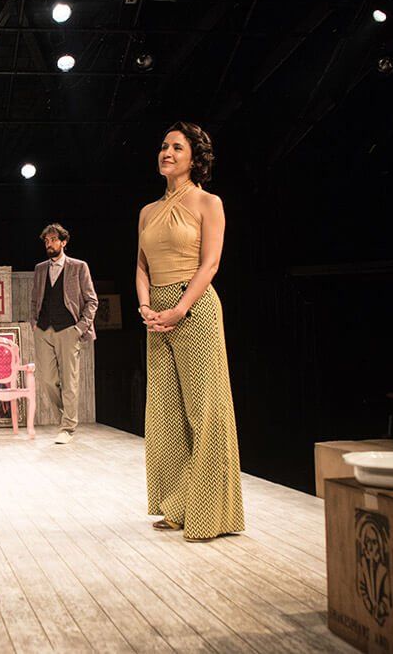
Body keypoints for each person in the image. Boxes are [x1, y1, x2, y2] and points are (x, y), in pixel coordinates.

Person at [136, 122, 245, 543]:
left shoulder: (207, 202)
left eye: (177, 147)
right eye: (164, 146)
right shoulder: (147, 211)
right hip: (156, 314)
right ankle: (178, 505)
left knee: (205, 411)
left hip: (193, 308)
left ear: (194, 158)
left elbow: (211, 263)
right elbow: (141, 266)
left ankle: (209, 514)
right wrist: (146, 307)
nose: (167, 152)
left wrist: (180, 308)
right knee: (166, 415)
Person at [30, 223, 98, 444]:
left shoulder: (78, 267)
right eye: (46, 241)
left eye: (53, 240)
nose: (49, 244)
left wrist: (80, 327)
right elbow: (35, 299)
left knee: (70, 380)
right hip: (43, 329)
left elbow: (92, 301)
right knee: (47, 380)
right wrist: (34, 323)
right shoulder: (40, 268)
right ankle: (65, 420)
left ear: (63, 242)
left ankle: (67, 428)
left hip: (69, 329)